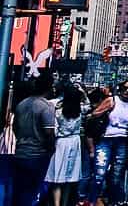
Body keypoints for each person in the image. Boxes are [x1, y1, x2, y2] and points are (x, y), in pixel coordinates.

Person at [13, 73, 57, 206]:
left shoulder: (22, 104)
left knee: (19, 191)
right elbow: (49, 133)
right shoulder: (46, 106)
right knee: (34, 192)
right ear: (49, 88)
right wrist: (50, 148)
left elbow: (15, 127)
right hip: (38, 155)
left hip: (20, 152)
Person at [93, 79, 128, 206]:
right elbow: (94, 114)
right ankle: (94, 200)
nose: (127, 91)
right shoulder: (112, 100)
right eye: (125, 88)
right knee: (99, 173)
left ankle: (111, 201)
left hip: (123, 140)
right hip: (106, 138)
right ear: (120, 88)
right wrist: (106, 110)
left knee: (116, 175)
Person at [45, 85, 84, 206]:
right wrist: (83, 92)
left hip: (61, 142)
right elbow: (87, 103)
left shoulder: (58, 112)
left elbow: (55, 131)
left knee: (58, 175)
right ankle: (65, 203)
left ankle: (56, 204)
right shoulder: (80, 110)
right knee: (70, 177)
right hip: (75, 142)